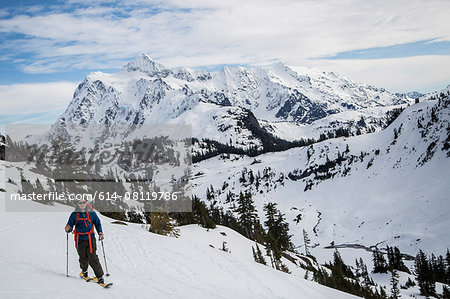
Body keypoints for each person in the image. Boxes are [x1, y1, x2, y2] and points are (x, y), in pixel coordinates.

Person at [65, 199, 105, 284]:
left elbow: (97, 223)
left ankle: (100, 277)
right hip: (79, 239)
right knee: (82, 257)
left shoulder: (92, 213)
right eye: (80, 203)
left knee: (92, 257)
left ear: (86, 203)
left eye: (84, 202)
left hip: (90, 238)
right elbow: (70, 225)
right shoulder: (74, 214)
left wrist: (100, 232)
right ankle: (84, 272)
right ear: (77, 204)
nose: (82, 204)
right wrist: (68, 228)